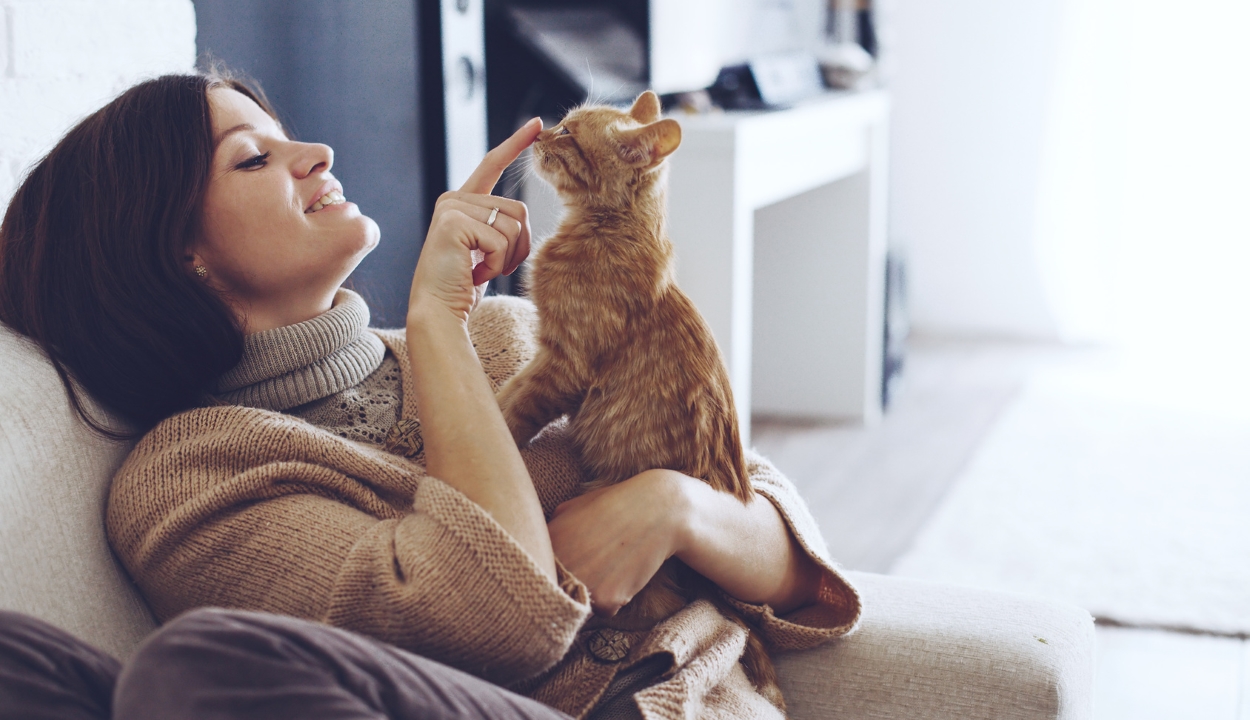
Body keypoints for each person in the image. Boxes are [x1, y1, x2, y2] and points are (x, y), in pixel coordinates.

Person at [0, 71, 860, 719]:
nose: (318, 155)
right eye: (254, 158)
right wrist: (437, 320)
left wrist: (673, 506)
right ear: (180, 252)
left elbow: (793, 569)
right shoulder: (190, 478)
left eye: (285, 134)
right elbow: (505, 614)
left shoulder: (510, 339)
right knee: (147, 666)